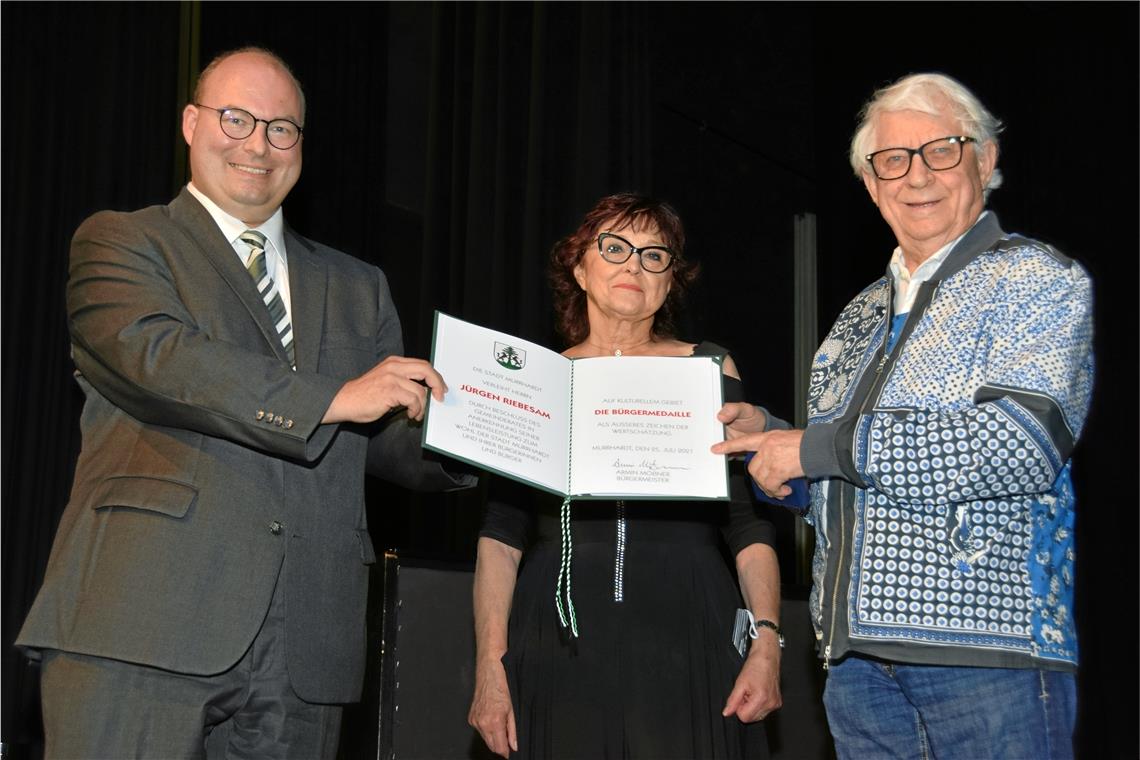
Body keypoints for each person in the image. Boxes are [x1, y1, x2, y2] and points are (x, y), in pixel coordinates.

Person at [16, 47, 472, 758]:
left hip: (306, 641)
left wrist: (480, 436)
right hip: (144, 615)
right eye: (236, 118)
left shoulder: (360, 285)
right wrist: (335, 396)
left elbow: (381, 435)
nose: (258, 145)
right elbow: (160, 361)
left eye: (281, 128)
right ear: (191, 123)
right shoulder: (123, 241)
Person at [714, 73, 1094, 759]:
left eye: (941, 150)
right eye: (892, 159)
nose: (917, 175)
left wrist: (814, 449)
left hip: (989, 661)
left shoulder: (1037, 279)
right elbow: (839, 486)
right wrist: (772, 447)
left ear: (986, 159)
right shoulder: (856, 318)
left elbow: (1019, 445)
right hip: (856, 671)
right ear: (870, 183)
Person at [468, 194, 782, 759]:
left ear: (670, 281)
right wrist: (490, 665)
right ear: (579, 268)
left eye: (653, 255)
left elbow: (747, 524)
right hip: (557, 637)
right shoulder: (536, 381)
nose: (634, 265)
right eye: (614, 248)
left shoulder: (709, 368)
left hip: (690, 630)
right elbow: (502, 536)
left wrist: (767, 641)